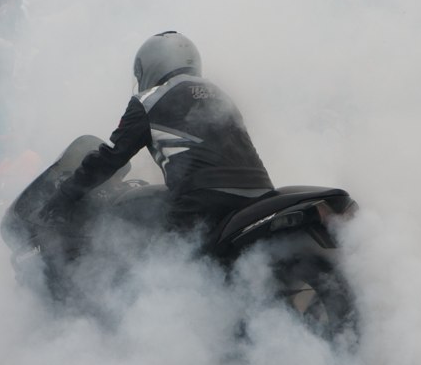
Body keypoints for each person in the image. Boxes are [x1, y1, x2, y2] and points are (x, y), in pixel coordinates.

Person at [41, 31, 273, 233]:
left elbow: (109, 158)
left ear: (151, 65)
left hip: (202, 200)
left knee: (148, 263)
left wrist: (65, 195)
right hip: (261, 194)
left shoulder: (149, 100)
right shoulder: (221, 94)